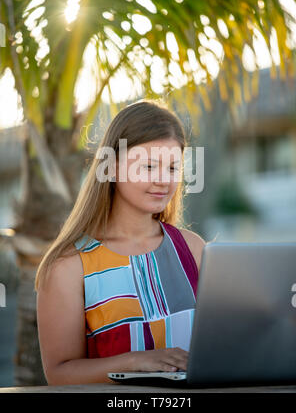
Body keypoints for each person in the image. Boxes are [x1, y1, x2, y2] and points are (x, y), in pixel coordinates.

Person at [35, 99, 205, 385]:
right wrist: (135, 361)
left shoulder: (194, 249)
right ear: (111, 168)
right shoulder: (68, 266)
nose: (164, 180)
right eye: (149, 166)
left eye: (173, 168)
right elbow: (58, 374)